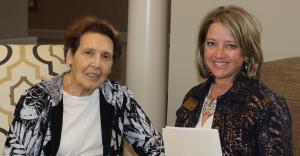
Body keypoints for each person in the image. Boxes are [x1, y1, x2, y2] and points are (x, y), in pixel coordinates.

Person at [4, 16, 164, 156]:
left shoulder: (118, 97)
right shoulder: (37, 99)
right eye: (89, 53)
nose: (97, 63)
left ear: (111, 66)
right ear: (69, 56)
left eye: (106, 56)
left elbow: (155, 148)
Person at [175, 5, 292, 155]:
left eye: (230, 45)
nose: (219, 53)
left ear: (247, 52)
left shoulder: (267, 105)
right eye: (212, 43)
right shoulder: (193, 96)